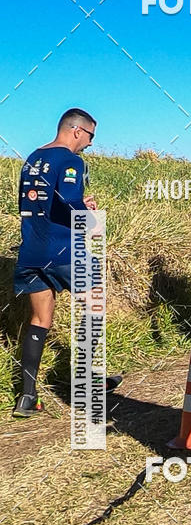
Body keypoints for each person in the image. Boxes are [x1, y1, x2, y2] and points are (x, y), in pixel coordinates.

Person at [12, 107, 121, 417]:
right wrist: (90, 219)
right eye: (90, 137)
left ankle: (27, 396)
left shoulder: (33, 158)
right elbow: (71, 200)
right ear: (77, 131)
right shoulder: (72, 160)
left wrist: (76, 204)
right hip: (62, 251)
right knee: (94, 302)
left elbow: (45, 200)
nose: (89, 144)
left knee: (39, 320)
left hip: (30, 251)